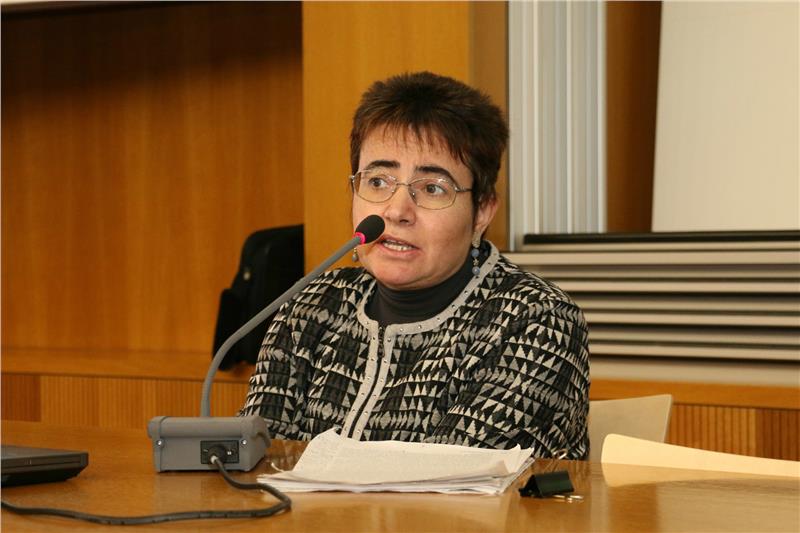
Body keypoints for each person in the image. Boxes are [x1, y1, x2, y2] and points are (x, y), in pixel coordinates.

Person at [240, 71, 590, 459]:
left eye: (432, 188)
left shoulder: (536, 320)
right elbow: (257, 458)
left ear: (481, 212)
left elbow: (450, 475)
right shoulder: (311, 305)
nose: (396, 211)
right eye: (378, 182)